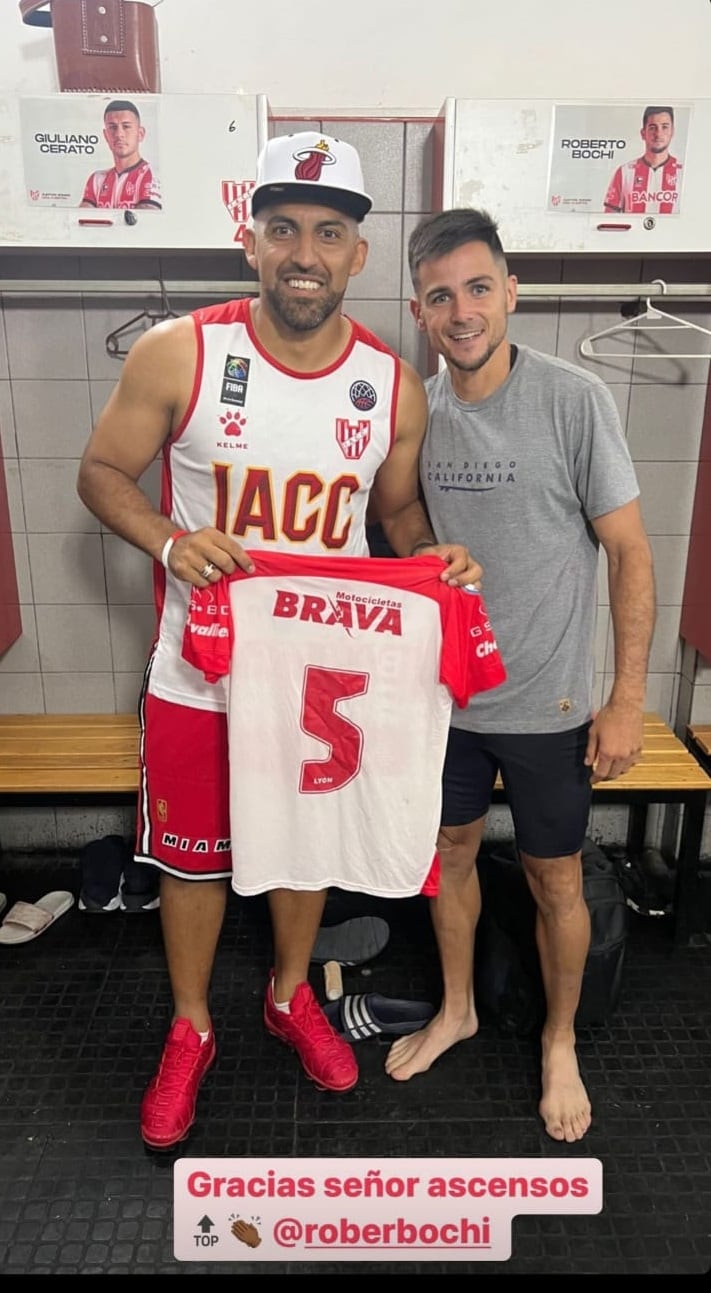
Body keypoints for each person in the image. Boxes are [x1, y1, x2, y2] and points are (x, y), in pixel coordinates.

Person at [76, 132, 483, 1152]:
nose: (305, 250)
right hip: (199, 671)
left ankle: (290, 994)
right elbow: (100, 474)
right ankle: (191, 1023)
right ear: (251, 241)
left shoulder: (390, 386)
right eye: (284, 228)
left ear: (358, 253)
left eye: (330, 232)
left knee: (303, 850)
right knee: (193, 863)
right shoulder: (184, 351)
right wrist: (171, 541)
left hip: (318, 679)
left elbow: (397, 522)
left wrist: (441, 567)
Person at [383, 207, 656, 1145]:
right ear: (419, 310)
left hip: (549, 704)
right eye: (440, 295)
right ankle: (456, 1007)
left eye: (477, 287)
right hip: (449, 702)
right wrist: (428, 548)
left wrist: (625, 699)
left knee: (554, 879)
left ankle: (558, 1039)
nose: (461, 310)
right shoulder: (415, 408)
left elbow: (627, 553)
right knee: (450, 856)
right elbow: (401, 521)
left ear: (509, 291)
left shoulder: (573, 399)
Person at [80, 99, 161, 210]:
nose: (119, 134)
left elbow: (147, 224)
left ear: (140, 134)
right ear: (105, 135)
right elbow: (82, 220)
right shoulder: (96, 180)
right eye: (113, 127)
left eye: (126, 126)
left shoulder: (153, 175)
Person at [603, 106, 681, 215]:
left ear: (672, 132)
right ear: (643, 133)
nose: (658, 134)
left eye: (665, 127)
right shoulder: (624, 172)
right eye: (652, 127)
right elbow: (609, 216)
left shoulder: (684, 173)